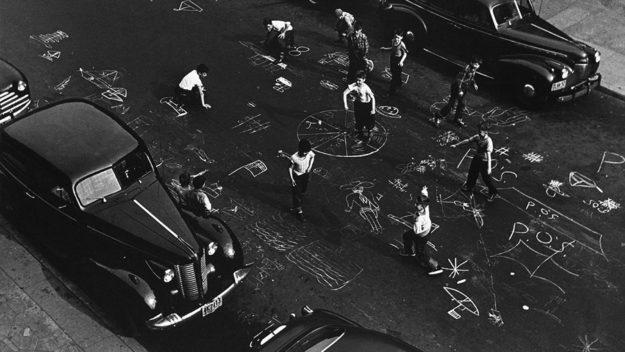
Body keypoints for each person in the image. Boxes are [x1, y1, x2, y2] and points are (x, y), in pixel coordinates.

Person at [400, 186, 443, 276]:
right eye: (416, 203)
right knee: (407, 236)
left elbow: (416, 231)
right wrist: (424, 190)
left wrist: (415, 221)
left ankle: (436, 266)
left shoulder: (420, 218)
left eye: (417, 204)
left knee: (420, 253)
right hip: (424, 231)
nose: (415, 205)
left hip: (422, 236)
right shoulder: (425, 208)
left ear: (422, 206)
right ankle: (409, 251)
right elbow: (425, 196)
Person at [451, 122, 498, 201]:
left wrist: (489, 168)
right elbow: (468, 140)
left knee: (486, 179)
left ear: (486, 131)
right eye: (479, 130)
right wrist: (456, 144)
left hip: (484, 161)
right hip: (477, 158)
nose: (479, 132)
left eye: (481, 131)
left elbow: (489, 156)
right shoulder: (478, 137)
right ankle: (469, 186)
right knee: (472, 173)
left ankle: (493, 192)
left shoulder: (488, 141)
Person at [432, 56, 482, 127]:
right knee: (451, 104)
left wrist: (474, 84)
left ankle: (457, 119)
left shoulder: (473, 69)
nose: (477, 66)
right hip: (457, 87)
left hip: (464, 87)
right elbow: (459, 80)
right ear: (471, 63)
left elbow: (471, 77)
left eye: (478, 65)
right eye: (476, 64)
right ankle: (438, 115)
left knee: (462, 104)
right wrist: (460, 90)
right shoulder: (466, 69)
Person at [343, 70, 376, 144]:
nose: (358, 82)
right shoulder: (354, 85)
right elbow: (344, 93)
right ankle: (360, 134)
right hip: (358, 104)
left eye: (360, 80)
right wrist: (345, 104)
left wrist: (373, 109)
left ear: (364, 80)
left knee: (368, 122)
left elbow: (373, 98)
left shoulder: (366, 88)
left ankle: (369, 135)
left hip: (367, 105)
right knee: (358, 120)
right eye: (357, 80)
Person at [289, 139, 315, 222]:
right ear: (300, 150)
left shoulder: (309, 153)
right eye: (305, 152)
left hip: (305, 175)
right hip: (297, 177)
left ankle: (295, 205)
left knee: (303, 191)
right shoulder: (294, 157)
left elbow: (313, 157)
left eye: (307, 152)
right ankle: (299, 212)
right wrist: (292, 179)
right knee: (297, 195)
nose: (306, 154)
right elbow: (290, 168)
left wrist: (310, 167)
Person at [380, 28, 408, 96]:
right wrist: (385, 48)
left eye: (398, 37)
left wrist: (401, 61)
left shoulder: (402, 44)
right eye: (395, 37)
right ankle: (399, 83)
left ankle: (391, 91)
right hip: (393, 57)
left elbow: (405, 53)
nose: (396, 39)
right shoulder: (393, 41)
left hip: (398, 59)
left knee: (395, 76)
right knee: (393, 71)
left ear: (401, 38)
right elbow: (392, 48)